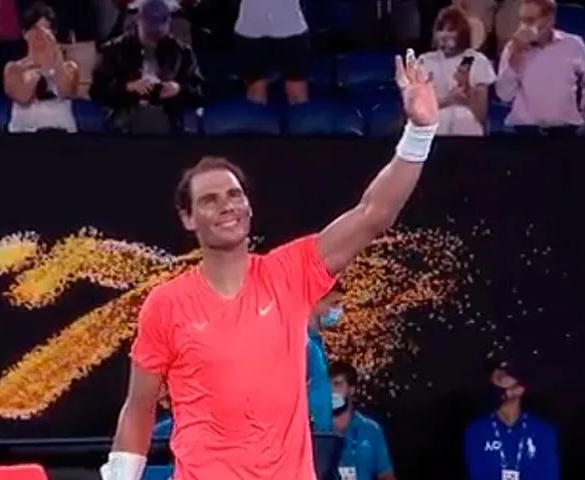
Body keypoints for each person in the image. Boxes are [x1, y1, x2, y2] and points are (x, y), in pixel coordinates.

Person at [100, 49, 438, 480]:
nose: (227, 206)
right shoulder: (166, 304)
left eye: (235, 195)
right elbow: (139, 407)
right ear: (187, 218)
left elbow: (373, 215)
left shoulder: (290, 272)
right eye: (210, 199)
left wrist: (420, 131)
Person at [90, 0, 203, 134]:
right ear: (138, 21)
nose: (155, 34)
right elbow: (97, 91)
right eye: (150, 29)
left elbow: (200, 91)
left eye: (160, 28)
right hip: (124, 123)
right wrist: (127, 87)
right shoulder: (113, 50)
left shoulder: (182, 53)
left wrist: (179, 89)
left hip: (169, 121)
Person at [495, 0, 585, 136]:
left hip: (566, 130)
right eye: (522, 20)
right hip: (525, 131)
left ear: (550, 19)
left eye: (530, 20)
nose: (524, 27)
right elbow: (504, 95)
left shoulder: (573, 45)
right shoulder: (513, 48)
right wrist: (514, 58)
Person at [464, 360, 561, 480]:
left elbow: (549, 475)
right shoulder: (476, 430)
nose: (495, 382)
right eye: (493, 377)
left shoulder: (543, 431)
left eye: (501, 377)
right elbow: (477, 474)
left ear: (519, 389)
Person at [420, 6, 496, 136]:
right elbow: (419, 109)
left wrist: (467, 88)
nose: (444, 35)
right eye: (440, 29)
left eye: (451, 30)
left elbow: (481, 114)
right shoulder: (425, 61)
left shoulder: (477, 60)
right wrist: (449, 99)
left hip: (469, 135)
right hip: (434, 134)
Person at [3, 2, 79, 133]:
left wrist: (55, 55)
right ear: (25, 33)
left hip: (62, 137)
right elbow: (22, 97)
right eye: (35, 29)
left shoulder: (69, 67)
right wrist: (36, 62)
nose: (40, 36)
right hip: (24, 137)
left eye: (45, 29)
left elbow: (65, 91)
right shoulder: (13, 69)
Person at [329, 361, 396, 480]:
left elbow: (386, 474)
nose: (331, 391)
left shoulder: (371, 430)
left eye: (337, 384)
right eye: (327, 385)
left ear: (352, 389)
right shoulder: (314, 431)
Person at [308, 286, 345, 434]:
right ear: (315, 300)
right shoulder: (302, 344)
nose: (338, 311)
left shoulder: (316, 343)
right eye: (334, 303)